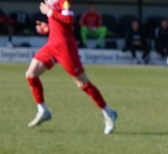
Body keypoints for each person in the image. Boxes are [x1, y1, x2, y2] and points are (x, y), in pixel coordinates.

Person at [25, 0, 116, 133]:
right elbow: (59, 24)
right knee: (31, 74)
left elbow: (68, 20)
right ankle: (42, 110)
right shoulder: (50, 1)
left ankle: (108, 112)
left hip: (65, 47)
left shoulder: (65, 1)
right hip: (52, 45)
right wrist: (48, 28)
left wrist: (49, 12)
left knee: (82, 83)